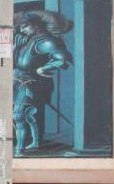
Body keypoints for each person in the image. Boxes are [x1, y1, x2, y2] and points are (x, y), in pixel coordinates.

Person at [13, 11, 73, 155]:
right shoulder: (29, 39)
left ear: (35, 24)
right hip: (20, 81)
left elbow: (62, 59)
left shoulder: (46, 42)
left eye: (25, 26)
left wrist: (44, 68)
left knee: (19, 115)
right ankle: (35, 142)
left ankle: (19, 150)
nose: (22, 30)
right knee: (29, 115)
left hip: (33, 83)